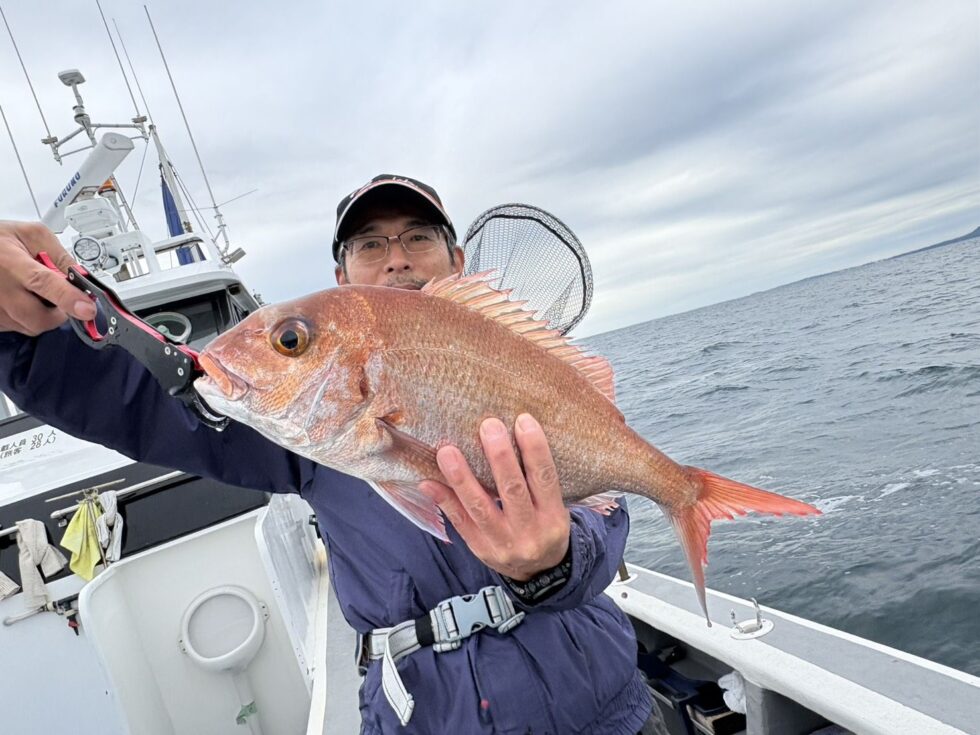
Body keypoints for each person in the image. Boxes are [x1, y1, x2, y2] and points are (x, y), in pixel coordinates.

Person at [0, 174, 654, 734]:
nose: (396, 258)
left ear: (456, 260)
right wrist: (15, 333)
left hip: (600, 698)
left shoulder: (521, 368)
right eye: (371, 243)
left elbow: (605, 511)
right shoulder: (304, 421)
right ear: (342, 277)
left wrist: (553, 562)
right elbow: (133, 400)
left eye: (417, 236)